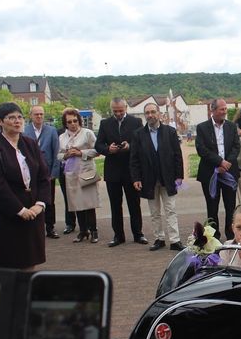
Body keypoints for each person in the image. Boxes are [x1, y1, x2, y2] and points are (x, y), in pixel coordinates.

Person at [0, 103, 50, 270]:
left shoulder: (31, 144)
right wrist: (20, 210)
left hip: (34, 213)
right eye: (11, 118)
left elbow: (43, 176)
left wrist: (39, 204)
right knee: (10, 263)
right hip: (10, 215)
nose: (17, 121)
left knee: (30, 262)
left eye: (19, 117)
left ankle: (26, 294)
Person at [130, 103, 183, 251]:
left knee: (171, 210)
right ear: (144, 115)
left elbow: (177, 155)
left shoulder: (170, 132)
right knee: (154, 212)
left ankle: (175, 240)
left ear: (159, 113)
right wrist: (136, 178)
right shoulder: (138, 134)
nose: (150, 115)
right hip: (148, 180)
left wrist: (179, 176)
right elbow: (134, 159)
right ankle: (159, 239)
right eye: (147, 113)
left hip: (168, 178)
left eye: (153, 112)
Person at [95, 98, 148, 248]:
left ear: (126, 108)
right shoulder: (105, 123)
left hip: (131, 170)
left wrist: (130, 146)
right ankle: (118, 236)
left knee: (134, 204)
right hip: (113, 170)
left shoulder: (136, 122)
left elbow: (142, 142)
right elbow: (98, 144)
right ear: (111, 109)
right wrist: (107, 149)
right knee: (115, 205)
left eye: (120, 110)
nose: (118, 113)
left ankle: (138, 234)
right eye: (115, 111)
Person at [196, 99, 240, 240]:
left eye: (225, 109)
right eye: (221, 109)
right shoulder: (202, 127)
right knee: (212, 207)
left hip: (229, 172)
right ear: (212, 111)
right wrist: (219, 162)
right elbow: (201, 149)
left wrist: (227, 163)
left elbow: (236, 147)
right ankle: (213, 238)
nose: (224, 112)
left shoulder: (232, 127)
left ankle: (230, 235)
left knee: (230, 207)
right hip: (210, 173)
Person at [58, 108, 100, 243]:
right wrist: (66, 154)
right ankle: (83, 231)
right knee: (76, 202)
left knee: (89, 202)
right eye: (69, 122)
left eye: (75, 120)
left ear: (79, 120)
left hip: (86, 170)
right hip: (71, 173)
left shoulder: (87, 133)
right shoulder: (62, 137)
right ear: (65, 123)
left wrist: (81, 153)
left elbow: (97, 150)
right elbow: (58, 155)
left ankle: (94, 230)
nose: (73, 124)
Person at [23, 105, 61, 239]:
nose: (39, 116)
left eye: (41, 114)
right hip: (30, 172)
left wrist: (54, 173)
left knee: (49, 200)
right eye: (36, 114)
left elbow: (56, 152)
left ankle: (50, 227)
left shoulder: (51, 131)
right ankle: (35, 227)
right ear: (30, 116)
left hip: (47, 172)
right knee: (32, 199)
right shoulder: (24, 131)